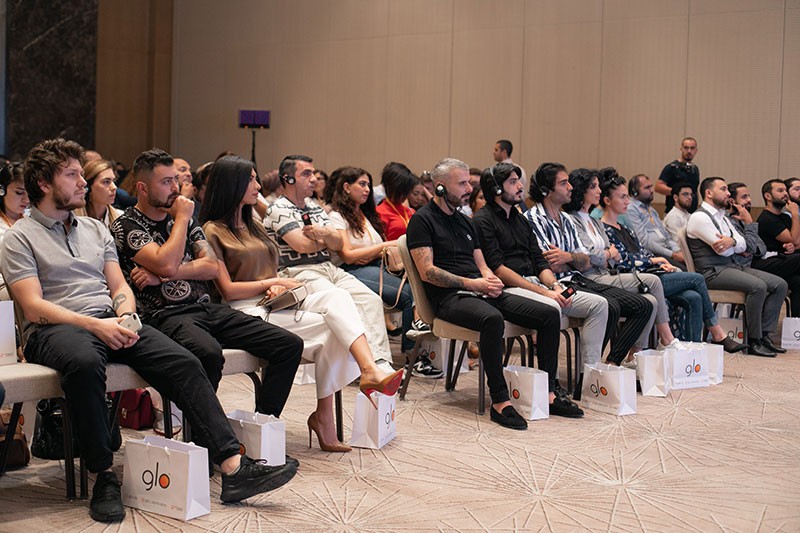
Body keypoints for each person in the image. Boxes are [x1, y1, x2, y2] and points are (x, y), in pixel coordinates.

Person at [3, 139, 297, 523]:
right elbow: (33, 307)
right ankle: (103, 475)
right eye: (72, 175)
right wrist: (98, 325)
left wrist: (125, 315)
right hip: (56, 328)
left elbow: (118, 286)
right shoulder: (19, 237)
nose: (82, 182)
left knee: (184, 361)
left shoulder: (94, 229)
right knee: (85, 363)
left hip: (111, 319)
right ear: (44, 183)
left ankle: (232, 467)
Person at [199, 156, 403, 452]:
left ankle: (362, 375)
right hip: (244, 310)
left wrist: (275, 283)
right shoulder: (212, 230)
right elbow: (228, 290)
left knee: (338, 300)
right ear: (232, 185)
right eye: (251, 180)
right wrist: (271, 282)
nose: (258, 186)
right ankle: (331, 411)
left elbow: (334, 244)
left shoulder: (253, 224)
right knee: (333, 328)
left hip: (275, 299)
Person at [111, 149, 305, 417]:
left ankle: (261, 426)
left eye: (175, 179)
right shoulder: (127, 225)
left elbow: (212, 267)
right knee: (209, 353)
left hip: (206, 309)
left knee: (288, 345)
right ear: (142, 188)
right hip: (164, 315)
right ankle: (200, 432)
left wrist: (164, 275)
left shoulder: (187, 221)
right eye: (165, 182)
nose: (175, 188)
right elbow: (167, 262)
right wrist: (181, 221)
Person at [407, 158, 583, 430]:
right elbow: (427, 271)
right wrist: (473, 284)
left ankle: (549, 393)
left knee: (549, 313)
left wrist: (489, 278)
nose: (469, 189)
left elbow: (481, 263)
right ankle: (500, 401)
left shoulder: (465, 222)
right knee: (492, 319)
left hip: (479, 290)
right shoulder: (422, 220)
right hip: (449, 297)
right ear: (440, 187)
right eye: (462, 184)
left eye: (469, 183)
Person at [474, 163, 616, 368]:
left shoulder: (520, 220)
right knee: (552, 307)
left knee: (599, 305)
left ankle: (589, 375)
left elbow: (539, 262)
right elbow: (498, 269)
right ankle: (550, 380)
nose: (520, 187)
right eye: (513, 182)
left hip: (539, 285)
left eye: (519, 181)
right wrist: (545, 293)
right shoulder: (483, 220)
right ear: (496, 189)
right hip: (509, 288)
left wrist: (555, 287)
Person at [264, 155, 395, 368]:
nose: (314, 179)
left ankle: (381, 363)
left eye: (313, 173)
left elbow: (337, 243)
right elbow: (301, 245)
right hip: (299, 271)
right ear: (288, 179)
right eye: (306, 174)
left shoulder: (314, 206)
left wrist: (323, 234)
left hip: (329, 268)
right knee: (340, 298)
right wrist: (326, 239)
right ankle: (366, 366)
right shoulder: (278, 208)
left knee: (370, 300)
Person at [527, 164, 655, 364]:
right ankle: (589, 372)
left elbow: (585, 261)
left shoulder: (566, 219)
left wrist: (569, 258)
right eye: (563, 183)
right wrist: (575, 259)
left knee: (644, 305)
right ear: (546, 190)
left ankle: (609, 364)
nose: (570, 187)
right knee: (608, 305)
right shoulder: (534, 218)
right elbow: (550, 265)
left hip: (577, 280)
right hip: (557, 286)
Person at [600, 175, 747, 350]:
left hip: (649, 272)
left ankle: (692, 350)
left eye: (627, 196)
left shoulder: (625, 228)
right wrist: (654, 260)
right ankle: (717, 334)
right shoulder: (603, 229)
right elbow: (622, 261)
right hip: (634, 279)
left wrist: (658, 264)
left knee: (693, 297)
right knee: (697, 278)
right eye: (623, 197)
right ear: (607, 200)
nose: (627, 201)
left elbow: (642, 252)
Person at [327, 167, 431, 367]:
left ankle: (417, 351)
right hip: (349, 271)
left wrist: (370, 251)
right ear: (347, 187)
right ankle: (414, 355)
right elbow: (348, 256)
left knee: (420, 286)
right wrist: (381, 247)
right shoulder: (336, 216)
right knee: (409, 294)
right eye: (362, 184)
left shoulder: (365, 214)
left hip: (376, 265)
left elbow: (368, 249)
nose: (367, 189)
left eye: (368, 185)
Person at [686, 177, 788, 356]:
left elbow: (745, 245)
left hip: (730, 267)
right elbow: (724, 251)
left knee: (780, 285)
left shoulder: (723, 217)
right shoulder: (699, 217)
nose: (728, 194)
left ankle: (765, 335)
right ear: (709, 193)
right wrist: (735, 244)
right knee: (758, 286)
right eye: (723, 189)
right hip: (711, 272)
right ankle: (754, 340)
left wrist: (732, 241)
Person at [755, 179, 800, 316]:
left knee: (798, 282)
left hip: (783, 261)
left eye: (785, 190)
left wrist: (792, 246)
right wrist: (795, 213)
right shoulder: (767, 218)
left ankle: (796, 324)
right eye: (780, 191)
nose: (785, 194)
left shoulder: (784, 218)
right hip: (766, 263)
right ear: (768, 196)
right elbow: (794, 239)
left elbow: (795, 242)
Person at [626, 174, 686, 270]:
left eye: (651, 186)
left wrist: (678, 251)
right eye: (647, 188)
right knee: (687, 272)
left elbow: (666, 236)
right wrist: (672, 254)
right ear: (635, 192)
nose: (651, 190)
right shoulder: (631, 209)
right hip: (652, 254)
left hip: (667, 251)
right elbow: (644, 242)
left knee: (695, 267)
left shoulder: (651, 210)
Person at [0, 162, 29, 299]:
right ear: (2, 190)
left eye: (29, 193)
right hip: (4, 285)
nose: (26, 199)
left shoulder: (34, 219)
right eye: (19, 192)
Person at [375, 162, 418, 240]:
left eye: (407, 191)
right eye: (402, 190)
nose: (405, 195)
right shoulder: (380, 212)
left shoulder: (411, 212)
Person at [656, 137, 700, 213]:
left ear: (696, 150)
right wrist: (678, 192)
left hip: (691, 212)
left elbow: (695, 190)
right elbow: (658, 187)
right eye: (686, 148)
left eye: (692, 148)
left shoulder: (695, 169)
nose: (689, 151)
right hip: (674, 211)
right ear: (681, 149)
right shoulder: (671, 167)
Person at [74, 159, 121, 226]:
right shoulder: (72, 219)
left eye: (114, 181)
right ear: (88, 187)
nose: (114, 187)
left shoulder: (121, 220)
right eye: (106, 182)